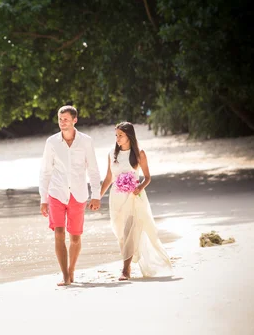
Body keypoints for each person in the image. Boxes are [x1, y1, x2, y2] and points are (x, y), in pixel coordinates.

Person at [99, 122, 173, 280]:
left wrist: (140, 187)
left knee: (129, 231)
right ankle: (128, 263)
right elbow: (108, 177)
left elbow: (147, 177)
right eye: (116, 135)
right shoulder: (112, 153)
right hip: (116, 197)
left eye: (121, 135)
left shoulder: (139, 154)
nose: (117, 138)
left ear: (129, 136)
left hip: (134, 198)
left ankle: (125, 270)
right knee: (119, 232)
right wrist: (97, 197)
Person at [39, 105, 102, 286]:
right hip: (56, 193)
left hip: (78, 194)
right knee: (58, 233)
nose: (62, 122)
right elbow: (45, 171)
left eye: (66, 119)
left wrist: (96, 195)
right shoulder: (51, 142)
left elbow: (93, 169)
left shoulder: (86, 141)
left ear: (75, 120)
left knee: (75, 237)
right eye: (60, 119)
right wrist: (44, 199)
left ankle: (72, 269)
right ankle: (65, 275)